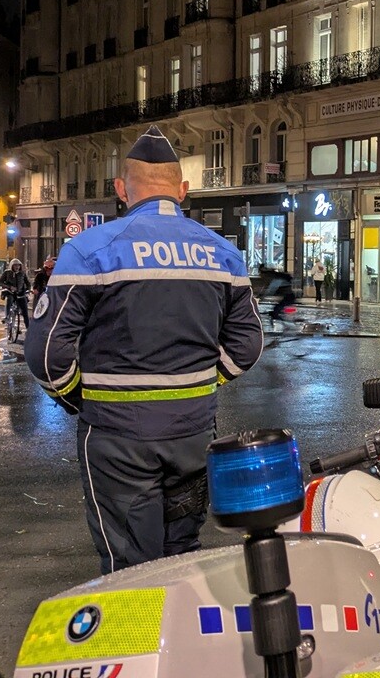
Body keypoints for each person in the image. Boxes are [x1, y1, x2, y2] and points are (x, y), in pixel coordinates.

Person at [24, 124, 263, 574]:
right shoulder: (223, 254)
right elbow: (249, 344)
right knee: (182, 552)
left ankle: (137, 639)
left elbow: (45, 354)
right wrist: (204, 383)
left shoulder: (90, 250)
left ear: (120, 189)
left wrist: (79, 396)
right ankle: (182, 639)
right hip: (193, 434)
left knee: (130, 562)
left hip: (118, 437)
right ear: (184, 190)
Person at [0, 258, 31, 329]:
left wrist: (28, 290)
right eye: (15, 265)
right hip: (10, 292)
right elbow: (0, 282)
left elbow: (28, 283)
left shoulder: (22, 273)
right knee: (9, 299)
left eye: (18, 265)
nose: (17, 267)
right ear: (12, 266)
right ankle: (7, 317)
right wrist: (9, 287)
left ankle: (28, 329)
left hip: (21, 294)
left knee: (25, 311)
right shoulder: (7, 273)